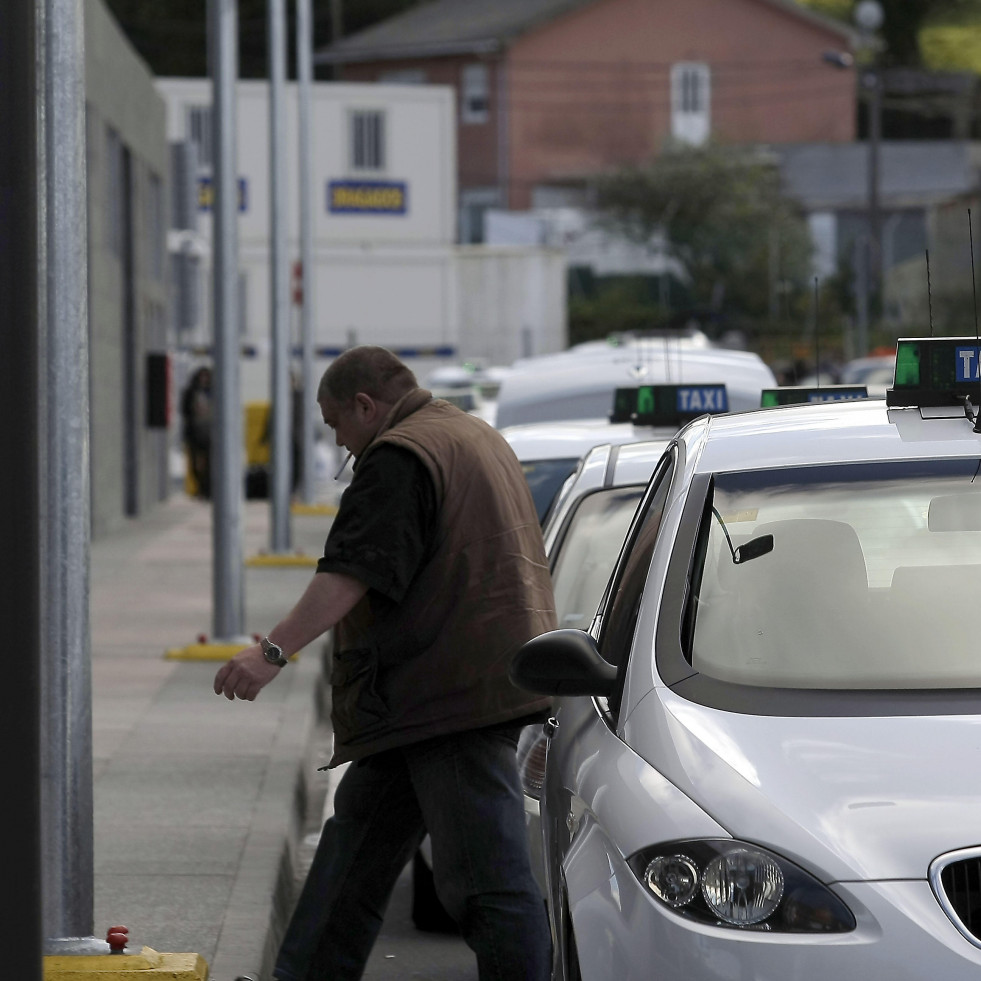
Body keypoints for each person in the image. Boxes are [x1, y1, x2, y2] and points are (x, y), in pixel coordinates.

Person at [214, 345, 556, 981]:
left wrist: (271, 653)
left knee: (486, 881)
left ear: (365, 406)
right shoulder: (472, 435)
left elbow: (352, 571)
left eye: (334, 422)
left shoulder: (401, 456)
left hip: (450, 696)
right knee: (353, 857)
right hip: (434, 692)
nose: (338, 441)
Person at [180, 365, 212, 499]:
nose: (204, 379)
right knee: (195, 464)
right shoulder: (191, 392)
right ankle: (200, 487)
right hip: (195, 433)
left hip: (210, 433)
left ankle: (207, 490)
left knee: (209, 463)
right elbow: (185, 412)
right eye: (201, 376)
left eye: (206, 376)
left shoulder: (214, 392)